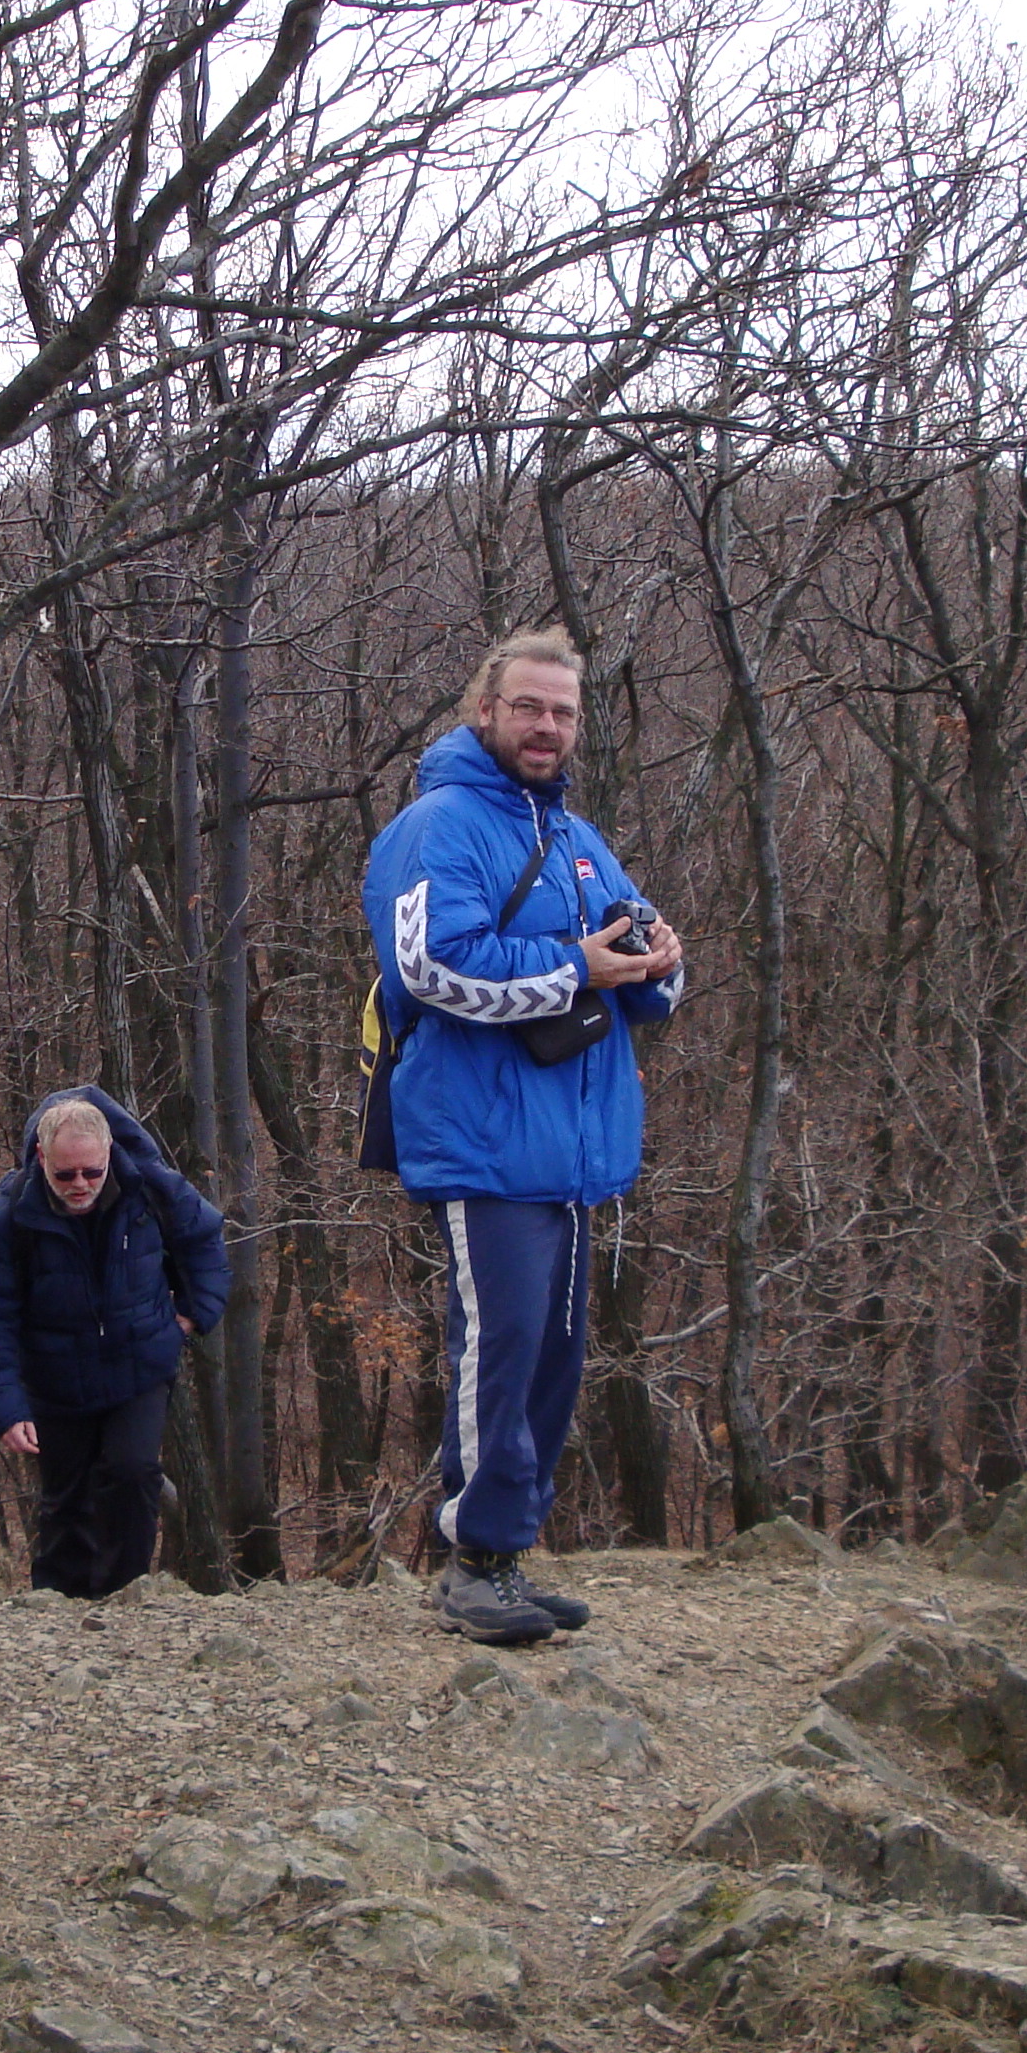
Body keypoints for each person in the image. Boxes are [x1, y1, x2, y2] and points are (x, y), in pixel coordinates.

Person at [362, 627, 686, 1643]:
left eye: (563, 712)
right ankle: (471, 1560)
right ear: (486, 712)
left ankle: (503, 1556)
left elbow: (642, 971)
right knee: (498, 1351)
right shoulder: (438, 826)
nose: (547, 726)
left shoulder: (579, 837)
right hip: (485, 1138)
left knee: (552, 1357)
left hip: (575, 1151)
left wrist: (661, 961)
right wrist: (579, 967)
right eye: (529, 708)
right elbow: (430, 968)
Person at [0, 1086, 231, 1599]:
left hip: (140, 1363)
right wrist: (5, 1409)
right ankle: (59, 1606)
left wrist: (194, 1315)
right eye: (66, 1175)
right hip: (54, 1375)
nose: (81, 1184)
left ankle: (125, 1597)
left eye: (92, 1171)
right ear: (42, 1159)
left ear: (109, 1153)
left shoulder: (152, 1189)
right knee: (66, 1498)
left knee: (133, 1473)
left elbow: (205, 1241)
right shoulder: (8, 1215)